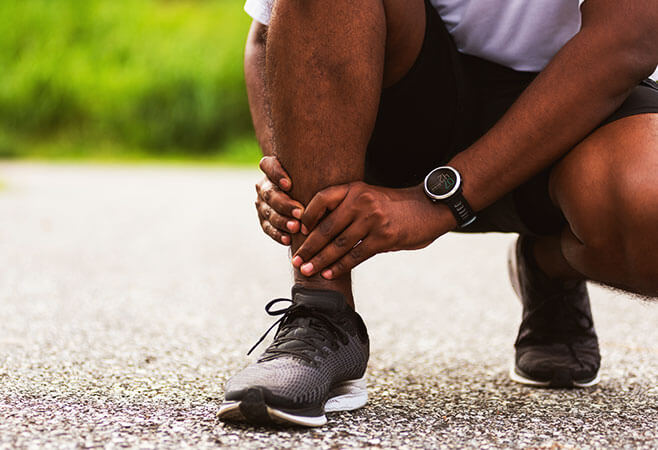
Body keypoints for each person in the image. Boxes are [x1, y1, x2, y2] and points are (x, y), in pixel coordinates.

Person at [218, 0, 658, 427]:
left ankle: (549, 266)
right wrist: (285, 168)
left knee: (649, 212)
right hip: (413, 94)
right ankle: (322, 312)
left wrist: (440, 201)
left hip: (579, 104)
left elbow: (627, 39)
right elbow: (268, 31)